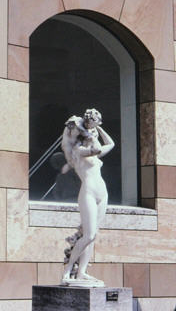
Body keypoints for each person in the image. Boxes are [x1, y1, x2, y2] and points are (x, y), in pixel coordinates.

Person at [61, 109, 114, 285]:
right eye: (90, 132)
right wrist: (87, 130)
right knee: (89, 235)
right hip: (89, 193)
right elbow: (97, 148)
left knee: (92, 235)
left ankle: (81, 272)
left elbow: (111, 144)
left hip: (102, 193)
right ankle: (68, 271)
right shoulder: (78, 151)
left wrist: (98, 128)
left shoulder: (93, 150)